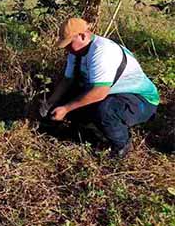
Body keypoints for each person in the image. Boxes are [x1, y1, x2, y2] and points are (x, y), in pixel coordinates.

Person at [41, 18, 159, 158]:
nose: (67, 48)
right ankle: (88, 129)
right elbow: (67, 80)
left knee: (106, 109)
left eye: (69, 44)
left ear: (82, 36)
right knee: (67, 96)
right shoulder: (76, 52)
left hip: (141, 100)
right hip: (110, 93)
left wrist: (66, 108)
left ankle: (121, 145)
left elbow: (99, 93)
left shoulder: (102, 51)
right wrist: (51, 102)